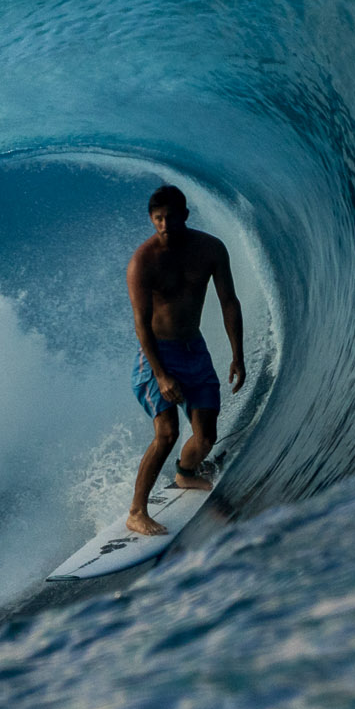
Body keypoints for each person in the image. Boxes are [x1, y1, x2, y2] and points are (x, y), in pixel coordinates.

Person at [125, 183, 245, 536]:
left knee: (206, 435)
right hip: (157, 355)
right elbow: (141, 325)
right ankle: (136, 511)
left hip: (194, 348)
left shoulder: (209, 249)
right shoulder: (143, 263)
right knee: (167, 433)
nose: (164, 225)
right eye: (157, 219)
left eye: (170, 218)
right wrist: (161, 375)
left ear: (185, 216)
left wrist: (238, 354)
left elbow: (229, 302)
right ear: (151, 219)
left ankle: (186, 474)